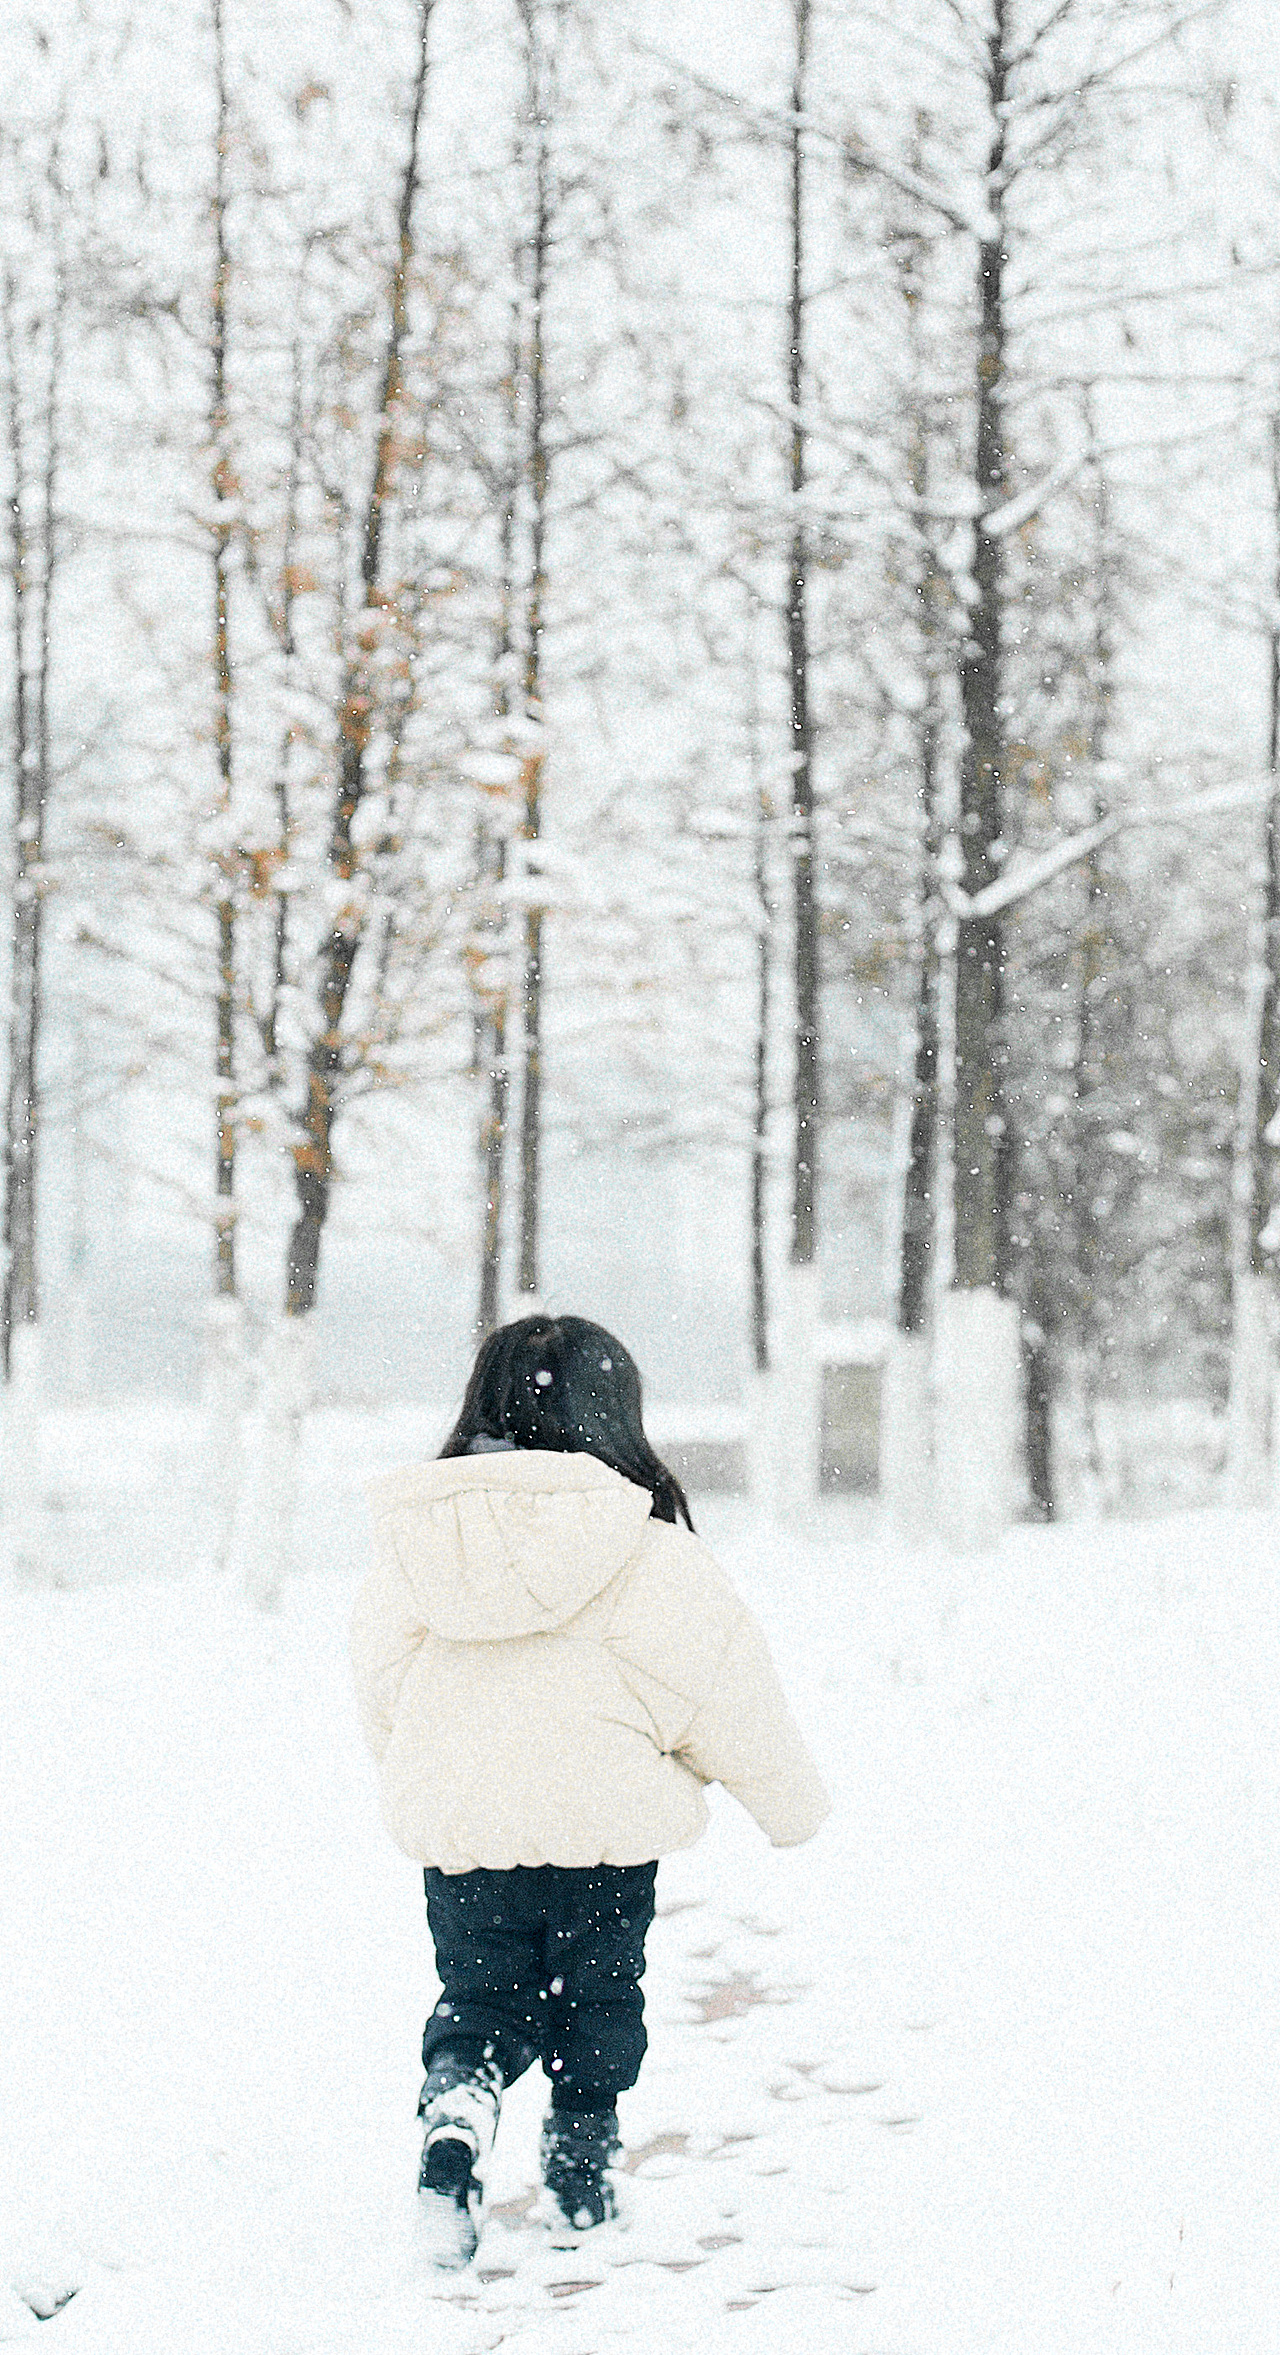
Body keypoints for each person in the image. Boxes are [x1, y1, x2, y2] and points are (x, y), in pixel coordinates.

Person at [350, 1312, 830, 2268]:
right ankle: (581, 2160)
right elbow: (725, 1688)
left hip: (466, 1836)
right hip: (602, 1838)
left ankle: (457, 2110)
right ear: (614, 1414)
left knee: (480, 1997)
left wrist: (433, 1769)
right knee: (596, 2002)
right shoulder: (649, 1550)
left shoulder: (423, 1543)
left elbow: (383, 1681)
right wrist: (790, 1805)